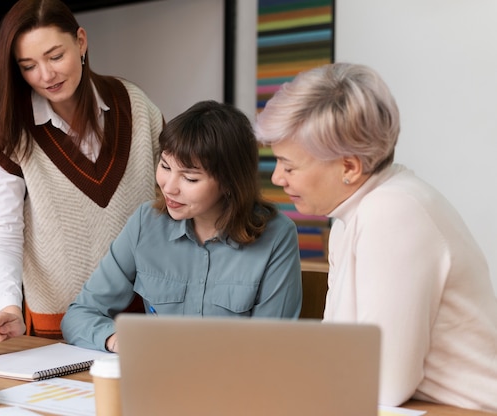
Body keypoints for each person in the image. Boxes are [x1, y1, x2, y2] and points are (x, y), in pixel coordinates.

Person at [255, 62, 497, 412]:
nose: (277, 178)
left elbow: (385, 383)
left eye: (289, 166)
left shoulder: (393, 213)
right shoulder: (356, 213)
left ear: (349, 167)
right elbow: (339, 353)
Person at [0, 0, 164, 346]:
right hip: (56, 325)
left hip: (143, 315)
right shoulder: (9, 134)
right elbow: (4, 233)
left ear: (81, 41)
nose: (46, 76)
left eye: (55, 56)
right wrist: (9, 306)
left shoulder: (134, 104)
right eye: (28, 66)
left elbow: (171, 198)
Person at [61, 100, 303, 352]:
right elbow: (80, 316)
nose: (169, 186)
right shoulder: (146, 223)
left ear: (230, 182)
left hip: (234, 385)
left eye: (189, 178)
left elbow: (272, 346)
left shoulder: (277, 235)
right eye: (165, 166)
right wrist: (115, 339)